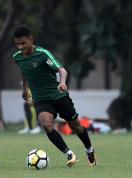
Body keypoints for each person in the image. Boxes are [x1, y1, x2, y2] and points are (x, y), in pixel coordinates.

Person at [12, 25, 96, 167]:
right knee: (46, 124)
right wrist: (25, 88)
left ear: (31, 40)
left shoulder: (43, 54)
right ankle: (69, 154)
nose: (20, 47)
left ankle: (89, 149)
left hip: (58, 95)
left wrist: (62, 83)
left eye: (23, 43)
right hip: (41, 99)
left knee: (77, 127)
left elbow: (62, 70)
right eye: (17, 44)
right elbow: (24, 70)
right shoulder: (17, 57)